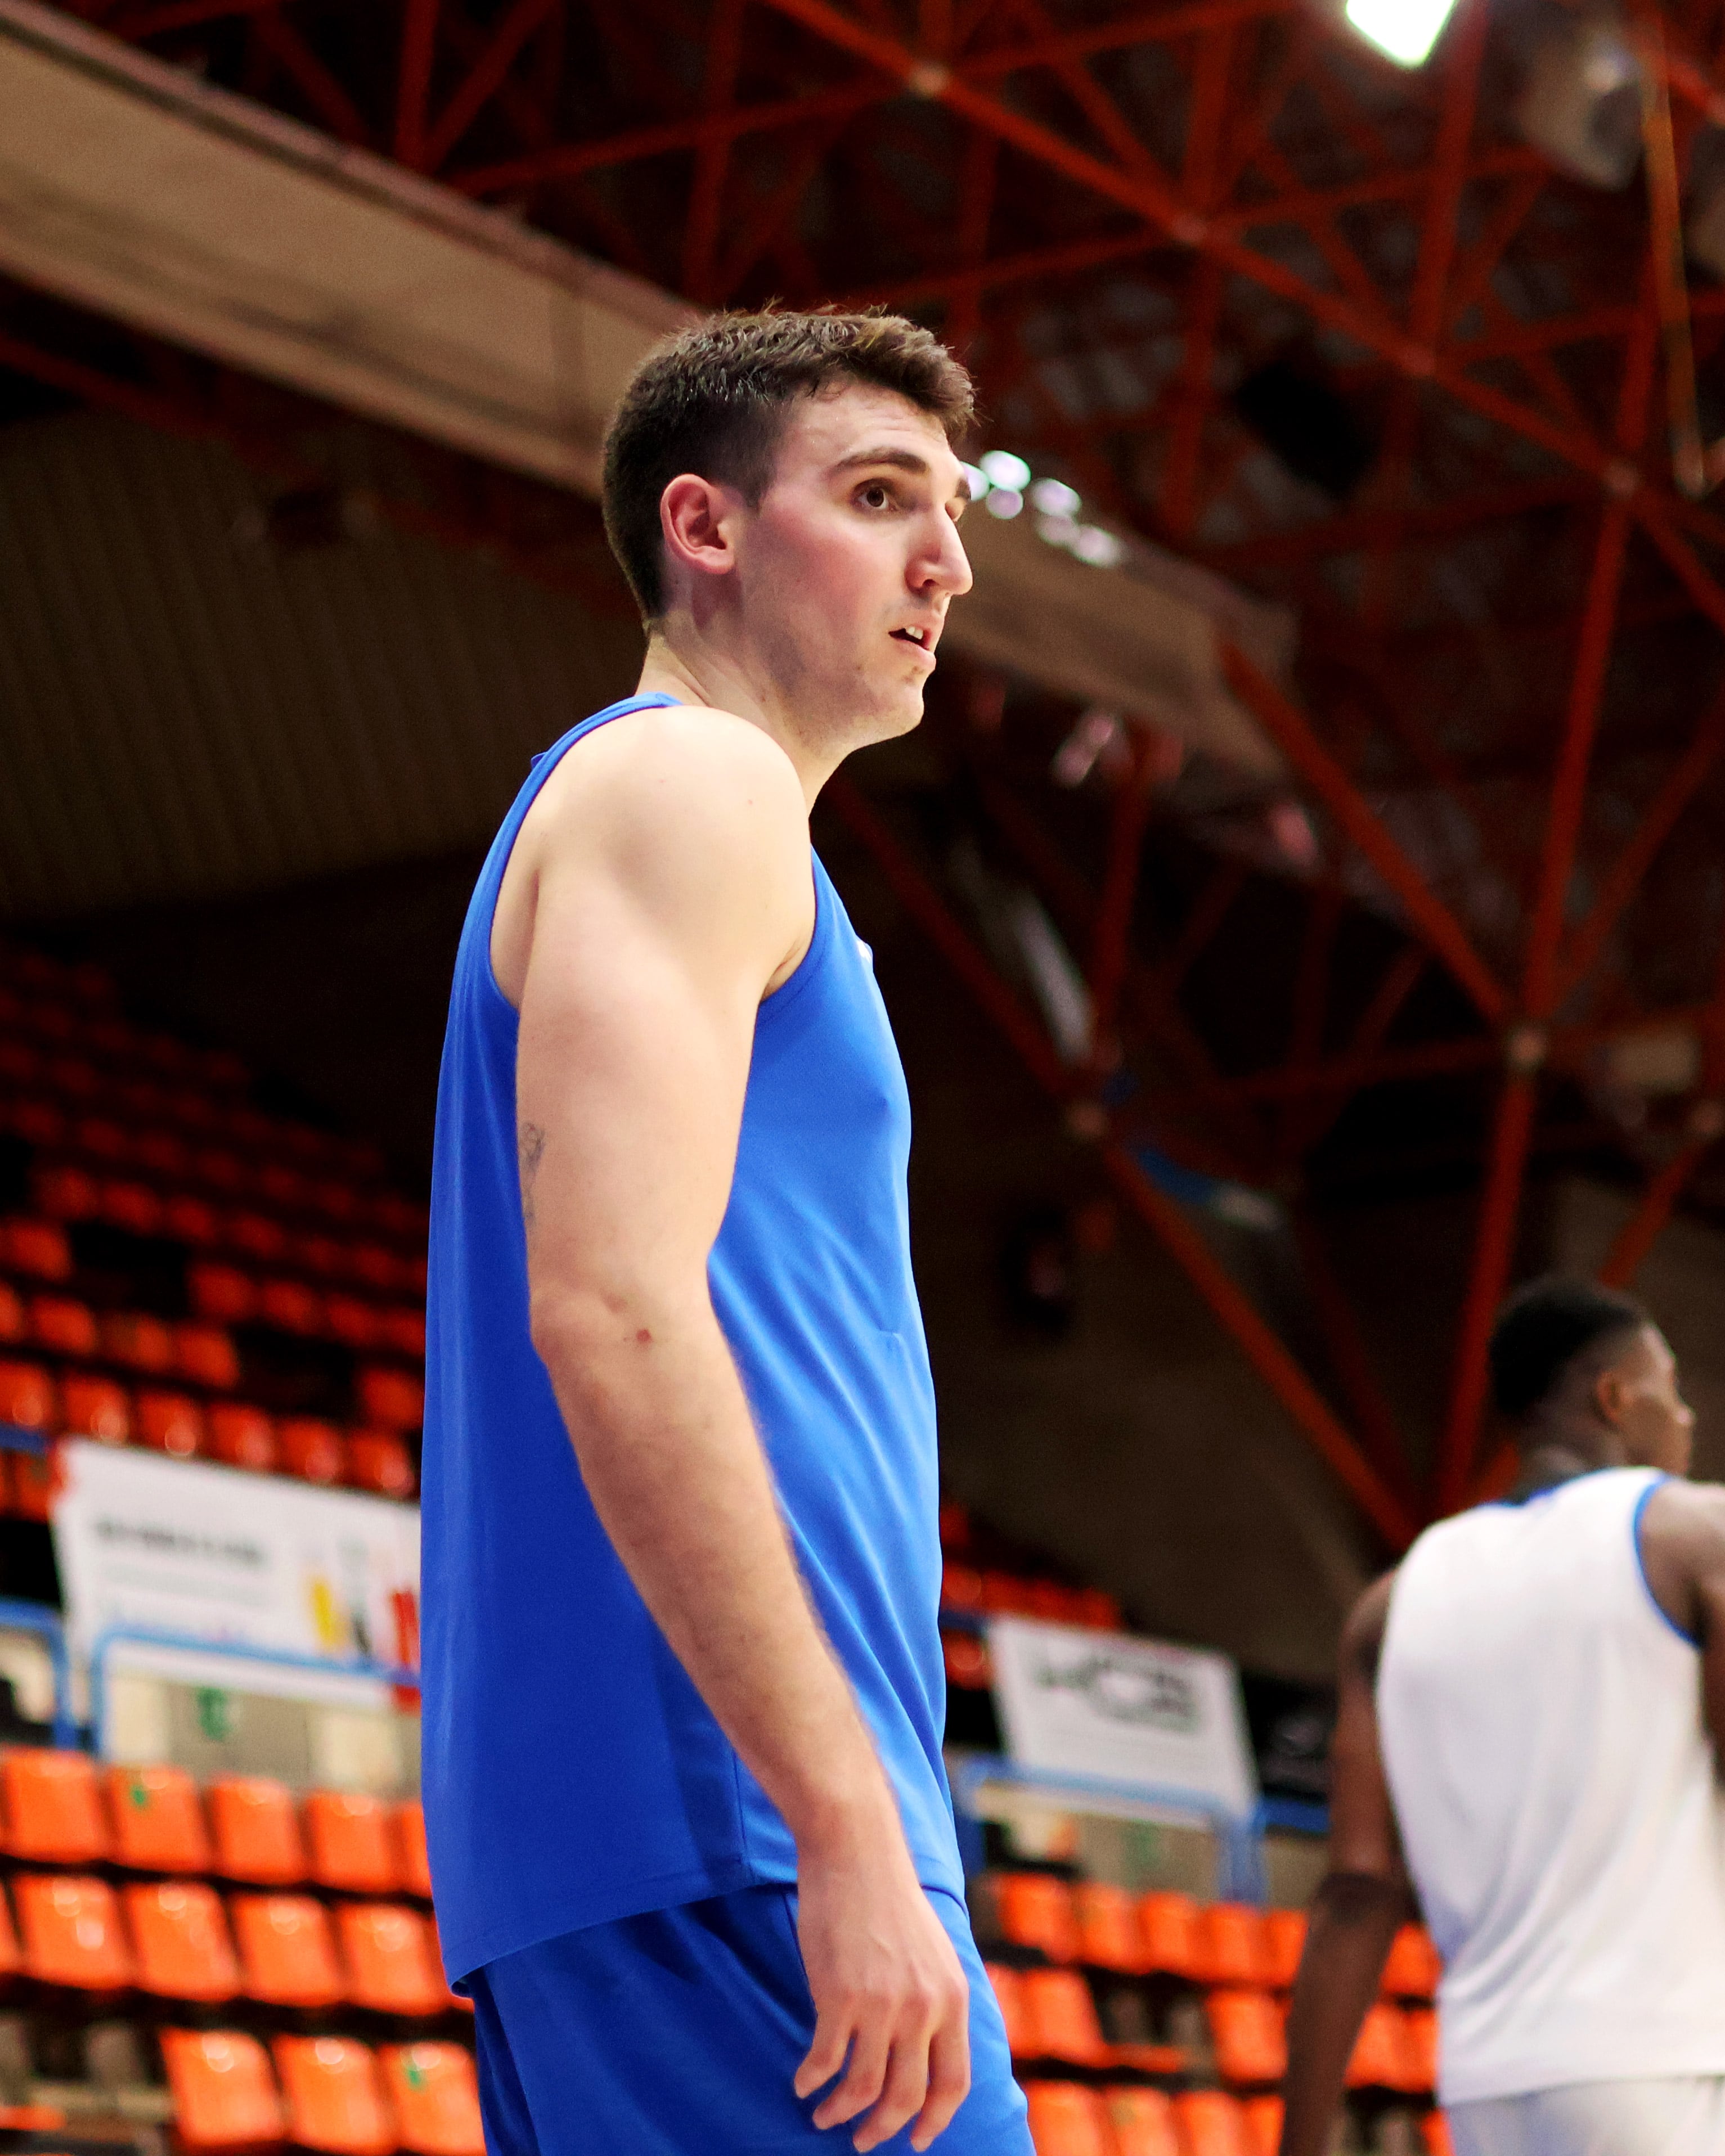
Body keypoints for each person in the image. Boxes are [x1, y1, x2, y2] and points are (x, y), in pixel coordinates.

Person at [419, 309, 1032, 2156]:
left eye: (951, 507)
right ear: (704, 527)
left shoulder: (683, 814)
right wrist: (842, 1825)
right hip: (726, 1820)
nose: (948, 556)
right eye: (874, 496)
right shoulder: (690, 781)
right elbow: (609, 1304)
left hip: (680, 1826)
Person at [1278, 1275, 1725, 2156]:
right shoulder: (1691, 1535)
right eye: (1670, 1389)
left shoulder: (1392, 1601)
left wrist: (1296, 2146)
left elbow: (1355, 1893)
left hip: (1486, 2088)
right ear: (1615, 1396)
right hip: (1666, 2060)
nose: (1685, 1418)